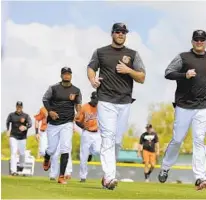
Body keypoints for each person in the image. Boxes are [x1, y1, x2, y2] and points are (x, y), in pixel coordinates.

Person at [87, 22, 146, 189]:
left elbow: (142, 77)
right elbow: (91, 68)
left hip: (125, 102)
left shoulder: (133, 54)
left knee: (117, 142)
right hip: (105, 100)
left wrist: (129, 71)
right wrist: (92, 79)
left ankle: (108, 174)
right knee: (108, 137)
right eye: (118, 31)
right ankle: (109, 177)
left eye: (123, 32)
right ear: (112, 33)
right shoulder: (100, 52)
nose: (121, 34)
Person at [158, 30, 206, 190]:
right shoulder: (183, 57)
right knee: (177, 139)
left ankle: (200, 177)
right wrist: (185, 74)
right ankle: (165, 167)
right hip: (184, 105)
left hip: (203, 105)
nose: (199, 42)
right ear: (192, 41)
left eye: (202, 40)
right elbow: (168, 73)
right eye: (196, 40)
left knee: (199, 141)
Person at [42, 67, 82, 184]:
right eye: (64, 74)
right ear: (61, 75)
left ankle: (61, 176)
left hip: (67, 122)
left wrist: (78, 112)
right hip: (53, 123)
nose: (66, 75)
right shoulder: (53, 88)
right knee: (52, 149)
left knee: (65, 148)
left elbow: (78, 103)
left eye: (68, 74)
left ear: (71, 75)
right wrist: (50, 111)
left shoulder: (76, 90)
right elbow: (45, 100)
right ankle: (47, 158)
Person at [34, 106, 73, 180]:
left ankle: (53, 175)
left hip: (57, 130)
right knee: (43, 151)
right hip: (44, 131)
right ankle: (47, 159)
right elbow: (37, 119)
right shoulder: (43, 109)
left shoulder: (62, 107)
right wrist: (36, 132)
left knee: (55, 154)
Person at [75, 91, 101, 183]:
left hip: (97, 133)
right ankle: (83, 177)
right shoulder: (84, 107)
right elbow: (77, 120)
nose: (96, 102)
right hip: (87, 133)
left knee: (98, 151)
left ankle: (91, 152)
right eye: (95, 99)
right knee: (83, 157)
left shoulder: (100, 107)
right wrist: (82, 126)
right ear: (92, 98)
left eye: (97, 100)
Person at [6, 101, 32, 175]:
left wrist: (25, 127)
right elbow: (7, 122)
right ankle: (13, 171)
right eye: (18, 106)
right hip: (13, 136)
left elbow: (30, 124)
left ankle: (21, 166)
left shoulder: (26, 115)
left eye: (20, 107)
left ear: (22, 107)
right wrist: (8, 130)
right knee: (13, 152)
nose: (19, 108)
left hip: (22, 137)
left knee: (22, 153)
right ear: (16, 107)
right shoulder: (11, 115)